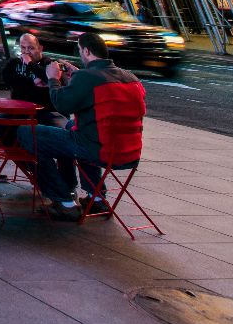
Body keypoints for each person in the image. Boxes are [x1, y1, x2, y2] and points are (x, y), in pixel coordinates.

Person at [22, 32, 145, 219]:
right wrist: (77, 74)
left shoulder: (87, 78)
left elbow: (62, 104)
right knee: (70, 125)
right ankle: (97, 198)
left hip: (98, 150)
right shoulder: (131, 78)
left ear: (86, 51)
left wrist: (53, 79)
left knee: (27, 133)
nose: (80, 54)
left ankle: (65, 201)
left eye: (79, 50)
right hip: (129, 153)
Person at [5, 33, 63, 126]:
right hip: (19, 109)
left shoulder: (49, 63)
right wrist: (33, 82)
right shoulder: (14, 62)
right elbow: (7, 79)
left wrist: (30, 63)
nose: (26, 52)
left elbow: (50, 79)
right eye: (23, 48)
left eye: (31, 48)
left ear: (40, 48)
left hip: (44, 111)